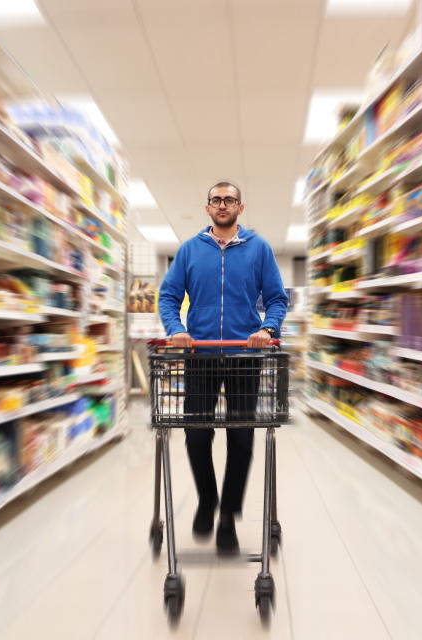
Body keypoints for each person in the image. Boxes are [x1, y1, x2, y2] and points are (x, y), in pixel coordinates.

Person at [157, 181, 288, 554]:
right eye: (216, 200)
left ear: (240, 208)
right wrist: (177, 330)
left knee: (242, 439)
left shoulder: (259, 249)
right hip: (201, 357)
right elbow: (168, 296)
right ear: (207, 208)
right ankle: (206, 501)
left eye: (229, 199)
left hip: (244, 358)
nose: (222, 204)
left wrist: (267, 328)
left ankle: (228, 515)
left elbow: (277, 299)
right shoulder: (189, 251)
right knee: (197, 436)